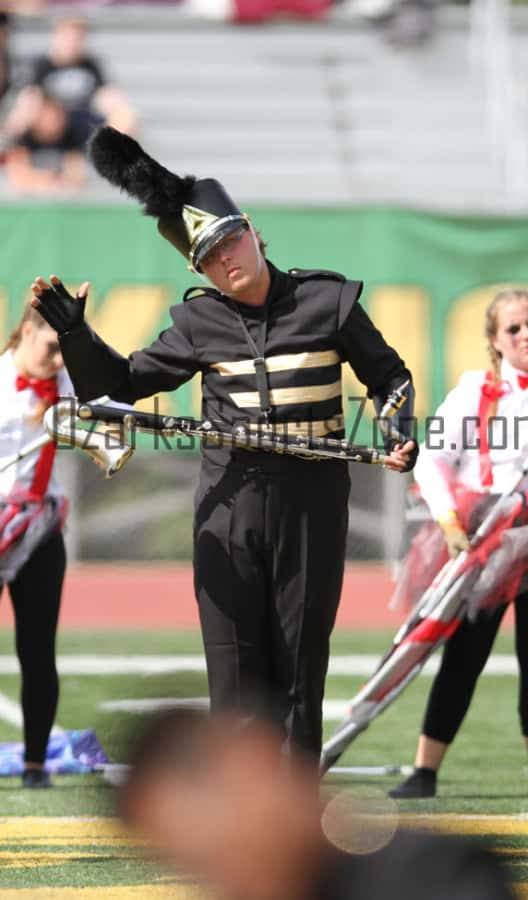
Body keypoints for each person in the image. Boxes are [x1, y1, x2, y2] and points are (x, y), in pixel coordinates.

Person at [31, 125, 418, 761]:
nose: (226, 259)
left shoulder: (330, 302)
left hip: (312, 506)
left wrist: (396, 428)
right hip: (230, 506)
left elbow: (390, 378)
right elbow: (119, 387)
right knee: (235, 677)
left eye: (230, 241)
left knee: (297, 670)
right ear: (199, 269)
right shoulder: (197, 322)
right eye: (209, 257)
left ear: (251, 230)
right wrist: (77, 338)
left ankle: (294, 828)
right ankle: (240, 828)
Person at [389, 288, 528, 800]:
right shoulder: (474, 393)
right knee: (465, 651)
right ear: (495, 341)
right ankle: (424, 772)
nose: (527, 334)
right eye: (514, 328)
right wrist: (447, 521)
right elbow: (433, 460)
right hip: (487, 537)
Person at [120, 707, 517, 900]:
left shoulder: (437, 877)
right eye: (199, 869)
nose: (226, 881)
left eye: (217, 851)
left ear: (253, 766)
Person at [0, 304, 72, 788]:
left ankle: (35, 764)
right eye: (53, 345)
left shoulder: (69, 383)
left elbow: (121, 412)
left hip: (39, 529)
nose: (61, 358)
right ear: (27, 331)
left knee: (38, 649)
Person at [1, 17, 137, 147]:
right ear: (56, 37)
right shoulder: (41, 65)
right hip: (50, 119)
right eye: (69, 37)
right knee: (29, 106)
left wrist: (122, 111)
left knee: (126, 115)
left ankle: (111, 160)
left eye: (78, 38)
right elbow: (29, 98)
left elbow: (106, 94)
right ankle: (8, 144)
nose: (72, 43)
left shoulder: (91, 65)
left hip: (82, 119)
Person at [5, 91, 88, 194]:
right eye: (46, 116)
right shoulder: (24, 138)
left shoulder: (71, 135)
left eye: (55, 116)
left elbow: (76, 175)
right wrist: (45, 180)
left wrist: (58, 183)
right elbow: (18, 176)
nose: (51, 121)